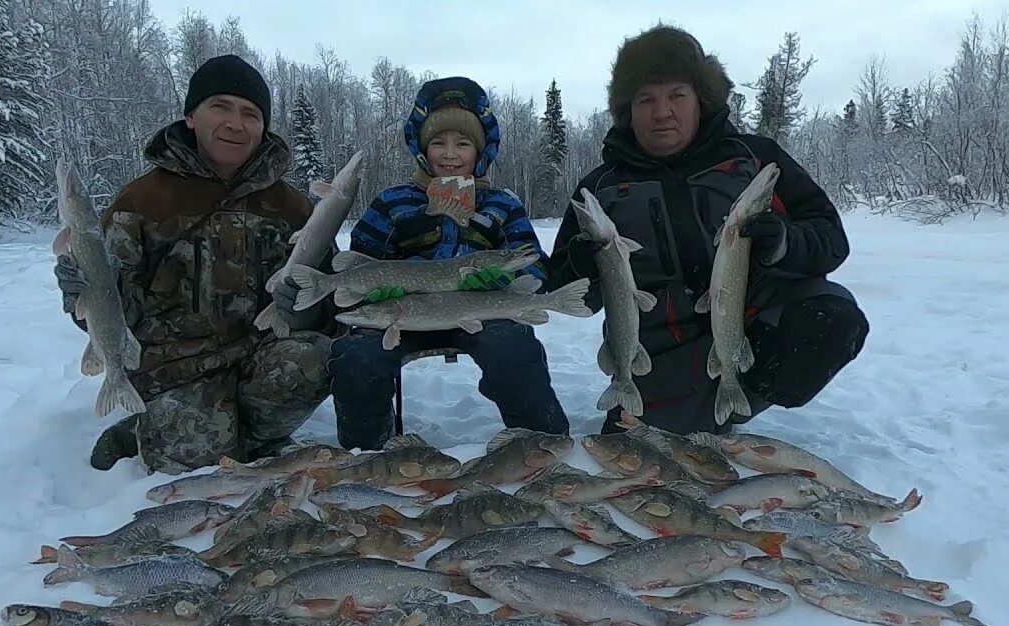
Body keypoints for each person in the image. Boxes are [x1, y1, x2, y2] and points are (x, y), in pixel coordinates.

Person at [548, 24, 870, 436]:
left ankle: (736, 395)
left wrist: (782, 243)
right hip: (662, 353)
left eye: (676, 95)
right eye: (646, 99)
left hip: (748, 331)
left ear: (701, 99)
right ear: (628, 109)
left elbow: (830, 240)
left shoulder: (756, 161)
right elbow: (563, 293)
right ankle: (688, 403)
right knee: (637, 452)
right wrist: (581, 265)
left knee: (831, 316)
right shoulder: (600, 188)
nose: (662, 112)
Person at [53, 54, 339, 474]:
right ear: (191, 116)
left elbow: (328, 302)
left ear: (264, 127)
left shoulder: (293, 207)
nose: (235, 124)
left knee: (324, 357)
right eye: (219, 107)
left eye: (251, 114)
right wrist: (81, 288)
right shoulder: (142, 202)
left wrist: (308, 306)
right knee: (194, 463)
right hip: (174, 369)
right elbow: (108, 320)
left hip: (259, 358)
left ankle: (249, 436)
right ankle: (153, 426)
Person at [327, 76, 570, 451]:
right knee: (357, 360)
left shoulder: (501, 203)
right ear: (422, 148)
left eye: (463, 143)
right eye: (438, 142)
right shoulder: (393, 202)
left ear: (481, 150)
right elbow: (359, 258)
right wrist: (373, 286)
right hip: (400, 312)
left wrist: (504, 281)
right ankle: (368, 454)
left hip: (479, 312)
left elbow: (534, 263)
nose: (450, 153)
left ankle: (544, 446)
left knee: (514, 351)